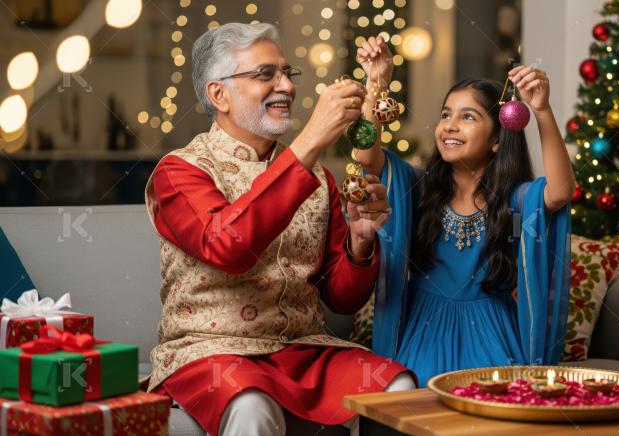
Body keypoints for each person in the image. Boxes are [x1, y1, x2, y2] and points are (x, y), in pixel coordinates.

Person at [141, 23, 415, 436]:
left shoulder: (318, 179)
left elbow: (342, 298)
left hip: (302, 350)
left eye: (287, 73)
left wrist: (360, 240)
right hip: (211, 354)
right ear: (219, 94)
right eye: (265, 74)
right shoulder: (180, 171)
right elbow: (229, 247)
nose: (286, 85)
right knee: (252, 405)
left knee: (398, 388)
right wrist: (311, 139)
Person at [354, 37, 574, 385]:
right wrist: (376, 81)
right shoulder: (419, 189)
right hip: (424, 330)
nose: (450, 125)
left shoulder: (514, 201)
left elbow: (560, 192)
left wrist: (542, 111)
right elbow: (366, 156)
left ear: (497, 139)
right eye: (445, 115)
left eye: (467, 116)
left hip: (492, 335)